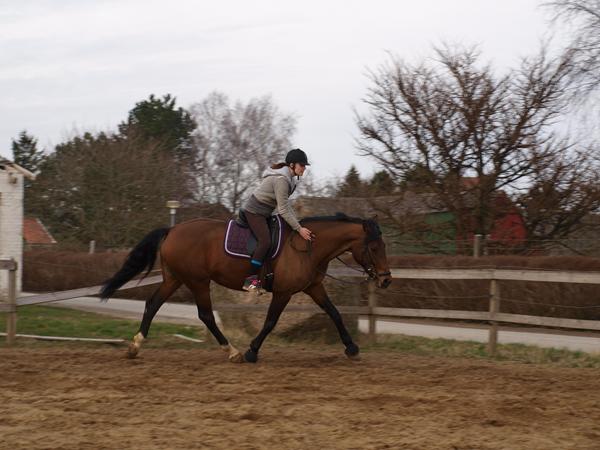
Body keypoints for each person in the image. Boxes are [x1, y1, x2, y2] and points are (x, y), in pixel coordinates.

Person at [239, 148, 314, 291]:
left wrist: (298, 223)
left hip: (265, 213)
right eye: (302, 165)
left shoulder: (289, 179)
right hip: (254, 212)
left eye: (305, 165)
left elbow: (286, 206)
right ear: (292, 165)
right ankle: (251, 282)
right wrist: (299, 228)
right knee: (265, 241)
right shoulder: (282, 180)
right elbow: (283, 209)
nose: (304, 168)